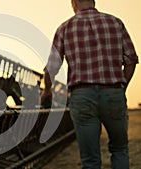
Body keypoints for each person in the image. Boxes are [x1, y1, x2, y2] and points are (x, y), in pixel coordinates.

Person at [41, 0, 139, 168]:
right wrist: (122, 87)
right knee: (120, 149)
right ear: (93, 1)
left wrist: (47, 91)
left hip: (82, 96)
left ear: (74, 3)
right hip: (113, 92)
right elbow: (131, 60)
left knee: (90, 158)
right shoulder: (115, 22)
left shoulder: (64, 28)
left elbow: (51, 68)